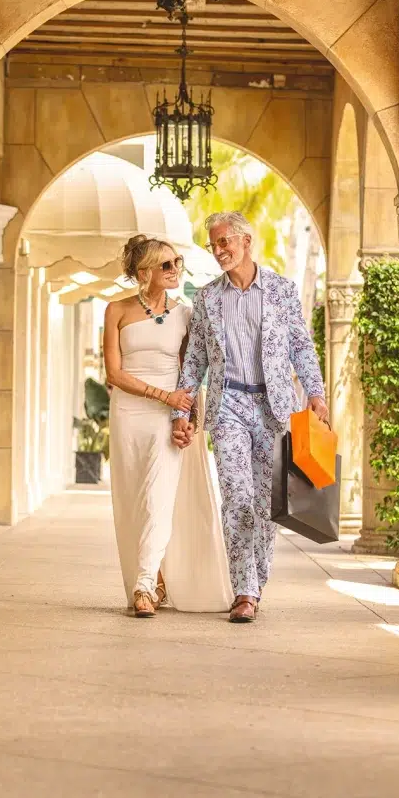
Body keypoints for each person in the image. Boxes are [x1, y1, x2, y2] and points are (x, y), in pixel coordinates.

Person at [172, 212, 328, 623]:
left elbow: (301, 347)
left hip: (275, 409)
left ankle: (256, 582)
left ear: (245, 242)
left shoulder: (281, 290)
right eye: (213, 245)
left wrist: (316, 394)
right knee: (237, 498)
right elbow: (195, 361)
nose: (219, 250)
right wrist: (181, 410)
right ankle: (244, 590)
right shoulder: (207, 299)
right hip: (229, 409)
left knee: (266, 504)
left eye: (225, 242)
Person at [104, 235, 233, 618]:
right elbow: (114, 373)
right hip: (128, 413)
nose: (176, 268)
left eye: (177, 261)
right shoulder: (116, 311)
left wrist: (188, 419)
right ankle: (152, 580)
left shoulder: (185, 313)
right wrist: (165, 397)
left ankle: (144, 587)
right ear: (144, 273)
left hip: (168, 416)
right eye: (166, 264)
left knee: (158, 496)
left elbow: (190, 372)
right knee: (133, 501)